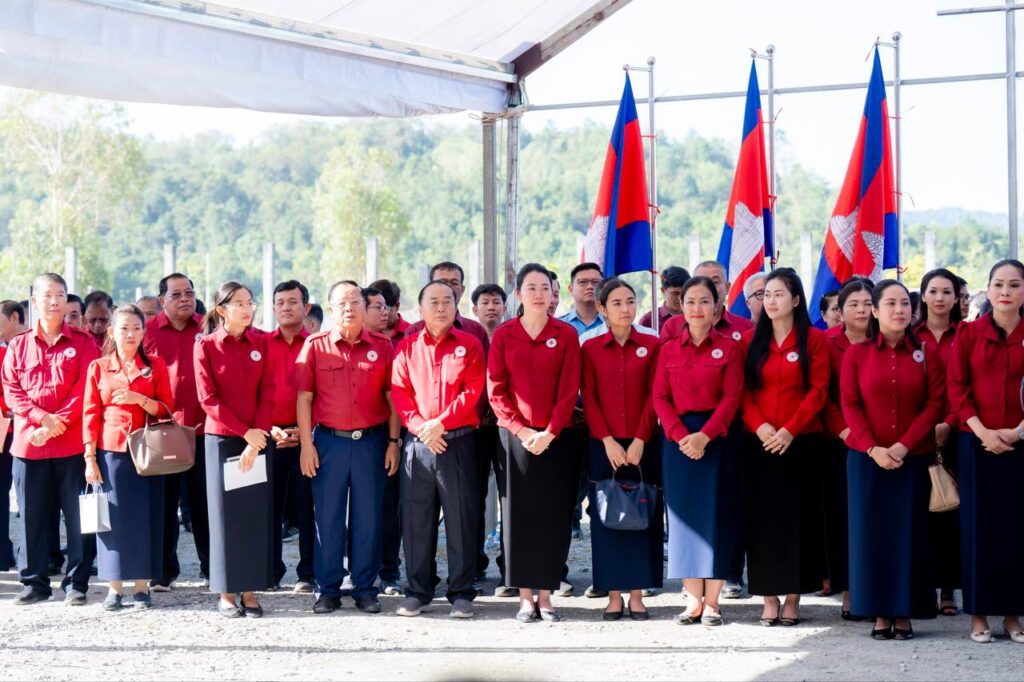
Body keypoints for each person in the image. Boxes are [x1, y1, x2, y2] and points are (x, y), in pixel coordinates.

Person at [842, 279, 945, 640]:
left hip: (911, 459)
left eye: (904, 303)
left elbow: (935, 403)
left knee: (909, 535)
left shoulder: (926, 353)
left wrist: (903, 445)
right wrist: (873, 448)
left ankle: (905, 612)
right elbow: (850, 404)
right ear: (874, 310)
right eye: (890, 303)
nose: (899, 310)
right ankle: (878, 611)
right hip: (866, 460)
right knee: (870, 535)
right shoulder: (856, 354)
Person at [295, 280, 401, 615]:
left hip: (372, 442)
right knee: (328, 518)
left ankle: (365, 588)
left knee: (368, 519)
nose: (349, 308)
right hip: (329, 443)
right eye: (342, 302)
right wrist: (307, 445)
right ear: (330, 308)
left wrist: (394, 442)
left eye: (356, 301)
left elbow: (392, 399)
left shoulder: (382, 347)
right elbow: (304, 398)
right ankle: (327, 589)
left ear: (365, 306)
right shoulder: (315, 346)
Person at [488, 263, 581, 622]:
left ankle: (546, 594)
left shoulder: (565, 334)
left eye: (545, 288)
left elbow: (569, 389)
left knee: (554, 514)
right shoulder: (505, 334)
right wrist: (522, 431)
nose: (539, 294)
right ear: (519, 294)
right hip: (514, 439)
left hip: (557, 438)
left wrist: (550, 431)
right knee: (517, 516)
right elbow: (496, 391)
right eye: (531, 288)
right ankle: (525, 596)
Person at [2, 273, 99, 605]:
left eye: (60, 294)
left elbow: (86, 387)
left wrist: (59, 422)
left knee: (78, 519)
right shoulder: (19, 345)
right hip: (30, 444)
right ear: (34, 301)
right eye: (47, 295)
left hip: (71, 445)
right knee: (32, 518)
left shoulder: (83, 343)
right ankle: (34, 582)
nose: (55, 301)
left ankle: (77, 584)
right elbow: (11, 390)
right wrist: (43, 419)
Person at [391, 281, 486, 618]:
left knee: (461, 518)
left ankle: (461, 591)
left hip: (457, 442)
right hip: (418, 446)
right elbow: (400, 393)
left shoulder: (470, 345)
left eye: (447, 301)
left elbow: (472, 391)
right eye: (434, 301)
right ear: (421, 308)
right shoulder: (407, 347)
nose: (441, 307)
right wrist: (422, 427)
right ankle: (418, 590)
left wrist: (441, 424)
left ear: (456, 307)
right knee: (416, 520)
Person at [653, 276, 744, 626]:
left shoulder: (730, 348)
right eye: (690, 301)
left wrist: (705, 436)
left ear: (717, 306)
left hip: (717, 440)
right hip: (678, 443)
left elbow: (732, 398)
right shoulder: (668, 349)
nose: (697, 308)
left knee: (717, 517)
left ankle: (713, 602)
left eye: (704, 301)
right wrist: (681, 437)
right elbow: (659, 397)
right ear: (681, 305)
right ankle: (693, 600)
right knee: (683, 520)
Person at [741, 268, 829, 626]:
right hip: (759, 444)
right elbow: (742, 391)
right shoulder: (750, 341)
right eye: (766, 295)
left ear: (795, 300)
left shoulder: (814, 340)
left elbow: (818, 390)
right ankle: (768, 597)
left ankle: (793, 597)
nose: (771, 301)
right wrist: (760, 426)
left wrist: (791, 429)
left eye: (778, 294)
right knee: (763, 522)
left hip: (801, 442)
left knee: (798, 521)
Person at [947, 259, 1024, 644]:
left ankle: (1012, 613)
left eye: (1014, 285)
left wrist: (1017, 431)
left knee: (1015, 528)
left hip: (1019, 444)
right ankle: (977, 613)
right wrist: (982, 432)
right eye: (998, 284)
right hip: (975, 443)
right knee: (977, 528)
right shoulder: (969, 333)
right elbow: (957, 388)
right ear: (989, 289)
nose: (1005, 291)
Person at [582, 278, 664, 621]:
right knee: (607, 517)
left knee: (644, 514)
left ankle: (638, 594)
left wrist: (641, 438)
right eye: (616, 303)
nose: (625, 308)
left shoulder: (652, 344)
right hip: (604, 445)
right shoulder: (590, 348)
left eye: (630, 301)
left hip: (645, 443)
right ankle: (614, 594)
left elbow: (655, 394)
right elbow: (588, 396)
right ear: (602, 308)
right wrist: (607, 439)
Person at [83, 304, 174, 611]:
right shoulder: (98, 367)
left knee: (147, 517)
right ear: (112, 332)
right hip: (111, 451)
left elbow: (167, 410)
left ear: (144, 332)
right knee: (112, 519)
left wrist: (140, 399)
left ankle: (141, 586)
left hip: (148, 452)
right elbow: (90, 413)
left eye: (136, 328)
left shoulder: (156, 366)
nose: (130, 334)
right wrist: (89, 456)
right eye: (124, 329)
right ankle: (114, 587)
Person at [195, 281, 277, 618]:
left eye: (249, 302)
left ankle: (250, 590)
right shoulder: (206, 346)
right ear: (222, 310)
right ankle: (227, 592)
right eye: (239, 303)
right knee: (225, 517)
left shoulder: (262, 342)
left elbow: (269, 391)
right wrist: (245, 433)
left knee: (252, 515)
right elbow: (208, 399)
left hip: (257, 439)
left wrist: (256, 439)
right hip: (222, 440)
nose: (247, 309)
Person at [144, 273, 210, 591]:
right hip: (162, 431)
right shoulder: (147, 331)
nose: (185, 299)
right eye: (176, 294)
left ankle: (213, 567)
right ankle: (163, 570)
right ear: (162, 300)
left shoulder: (207, 327)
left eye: (189, 293)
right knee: (163, 505)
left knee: (204, 505)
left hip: (204, 430)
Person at [820, 279, 873, 618]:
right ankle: (849, 589)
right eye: (854, 304)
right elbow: (821, 394)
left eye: (868, 303)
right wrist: (846, 432)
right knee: (842, 518)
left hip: (881, 443)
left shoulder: (887, 340)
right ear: (840, 310)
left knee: (873, 517)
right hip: (839, 442)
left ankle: (876, 586)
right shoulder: (826, 343)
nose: (861, 310)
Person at [914, 268, 963, 617]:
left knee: (952, 510)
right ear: (923, 296)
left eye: (947, 291)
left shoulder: (967, 334)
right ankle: (923, 587)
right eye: (933, 291)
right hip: (916, 436)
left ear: (957, 298)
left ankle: (949, 588)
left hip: (959, 432)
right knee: (922, 512)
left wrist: (950, 423)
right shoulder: (910, 336)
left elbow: (968, 385)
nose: (940, 298)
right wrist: (925, 428)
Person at [558, 262, 606, 595]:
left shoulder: (616, 323)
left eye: (595, 282)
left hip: (606, 429)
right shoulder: (560, 328)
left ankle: (608, 574)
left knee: (605, 503)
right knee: (563, 503)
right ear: (571, 288)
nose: (589, 287)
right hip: (567, 426)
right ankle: (556, 572)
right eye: (583, 281)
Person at [266, 280, 315, 593]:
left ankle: (308, 574)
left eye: (293, 302)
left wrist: (306, 431)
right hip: (269, 437)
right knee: (268, 509)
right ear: (273, 308)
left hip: (306, 439)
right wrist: (269, 429)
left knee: (307, 509)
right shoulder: (261, 345)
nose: (286, 307)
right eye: (280, 302)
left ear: (306, 308)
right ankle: (269, 571)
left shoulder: (317, 345)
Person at [368, 278, 408, 595]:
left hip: (391, 432)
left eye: (386, 307)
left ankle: (389, 571)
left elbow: (395, 396)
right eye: (376, 307)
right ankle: (361, 570)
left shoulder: (399, 342)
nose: (383, 313)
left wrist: (394, 441)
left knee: (390, 506)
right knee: (361, 507)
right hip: (355, 435)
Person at [470, 282, 508, 592]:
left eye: (496, 302)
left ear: (505, 308)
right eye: (485, 303)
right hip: (476, 429)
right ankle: (474, 562)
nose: (491, 307)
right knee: (475, 495)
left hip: (508, 427)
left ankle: (511, 564)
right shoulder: (468, 338)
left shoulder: (511, 337)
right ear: (475, 309)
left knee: (511, 497)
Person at [661, 260, 755, 343]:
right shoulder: (672, 326)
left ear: (727, 287)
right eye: (700, 282)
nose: (708, 288)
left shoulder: (745, 327)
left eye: (715, 282)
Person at [405, 262, 490, 351]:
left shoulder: (477, 331)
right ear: (430, 287)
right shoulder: (414, 331)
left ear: (462, 290)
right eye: (441, 282)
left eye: (454, 283)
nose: (448, 288)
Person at [370, 279, 410, 347]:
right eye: (377, 308)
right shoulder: (364, 333)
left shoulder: (413, 332)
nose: (382, 313)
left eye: (385, 308)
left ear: (397, 306)